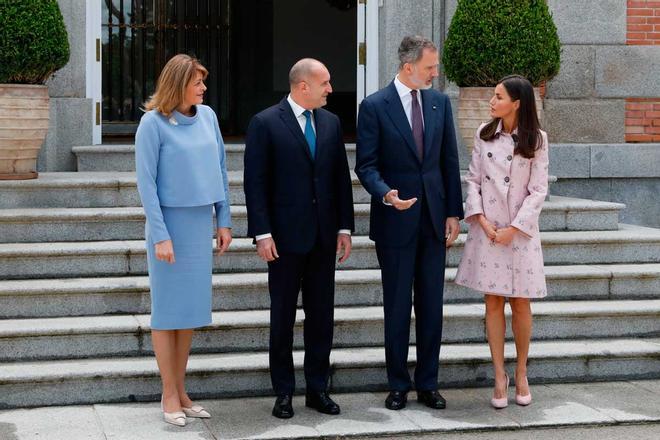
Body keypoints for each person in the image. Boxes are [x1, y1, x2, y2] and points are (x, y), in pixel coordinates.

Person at [355, 36, 464, 411]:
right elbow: (366, 165)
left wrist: (454, 212)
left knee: (432, 306)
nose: (435, 73)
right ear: (408, 67)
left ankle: (428, 383)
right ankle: (398, 383)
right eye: (430, 67)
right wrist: (386, 194)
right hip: (395, 222)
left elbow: (449, 161)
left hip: (434, 220)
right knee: (398, 306)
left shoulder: (440, 103)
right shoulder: (374, 107)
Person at [243, 58, 354, 419]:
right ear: (302, 85)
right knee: (283, 317)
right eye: (325, 82)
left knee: (322, 315)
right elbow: (255, 183)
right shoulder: (265, 123)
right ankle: (284, 392)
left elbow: (339, 179)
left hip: (324, 238)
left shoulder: (331, 123)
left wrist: (344, 228)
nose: (330, 89)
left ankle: (317, 389)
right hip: (284, 240)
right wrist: (262, 233)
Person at [135, 54, 232, 426]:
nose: (204, 88)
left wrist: (223, 220)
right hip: (168, 226)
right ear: (178, 83)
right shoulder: (152, 124)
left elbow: (221, 168)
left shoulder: (207, 117)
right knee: (167, 312)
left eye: (203, 81)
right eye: (198, 82)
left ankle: (182, 388)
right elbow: (146, 183)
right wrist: (160, 235)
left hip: (198, 223)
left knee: (189, 311)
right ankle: (168, 392)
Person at [455, 74, 549, 409]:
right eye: (493, 96)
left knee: (521, 302)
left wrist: (516, 227)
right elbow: (473, 180)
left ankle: (521, 371)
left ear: (517, 103)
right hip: (488, 232)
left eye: (498, 96)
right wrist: (480, 219)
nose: (492, 102)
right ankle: (499, 375)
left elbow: (538, 190)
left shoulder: (536, 139)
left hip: (520, 235)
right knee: (492, 302)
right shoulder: (484, 134)